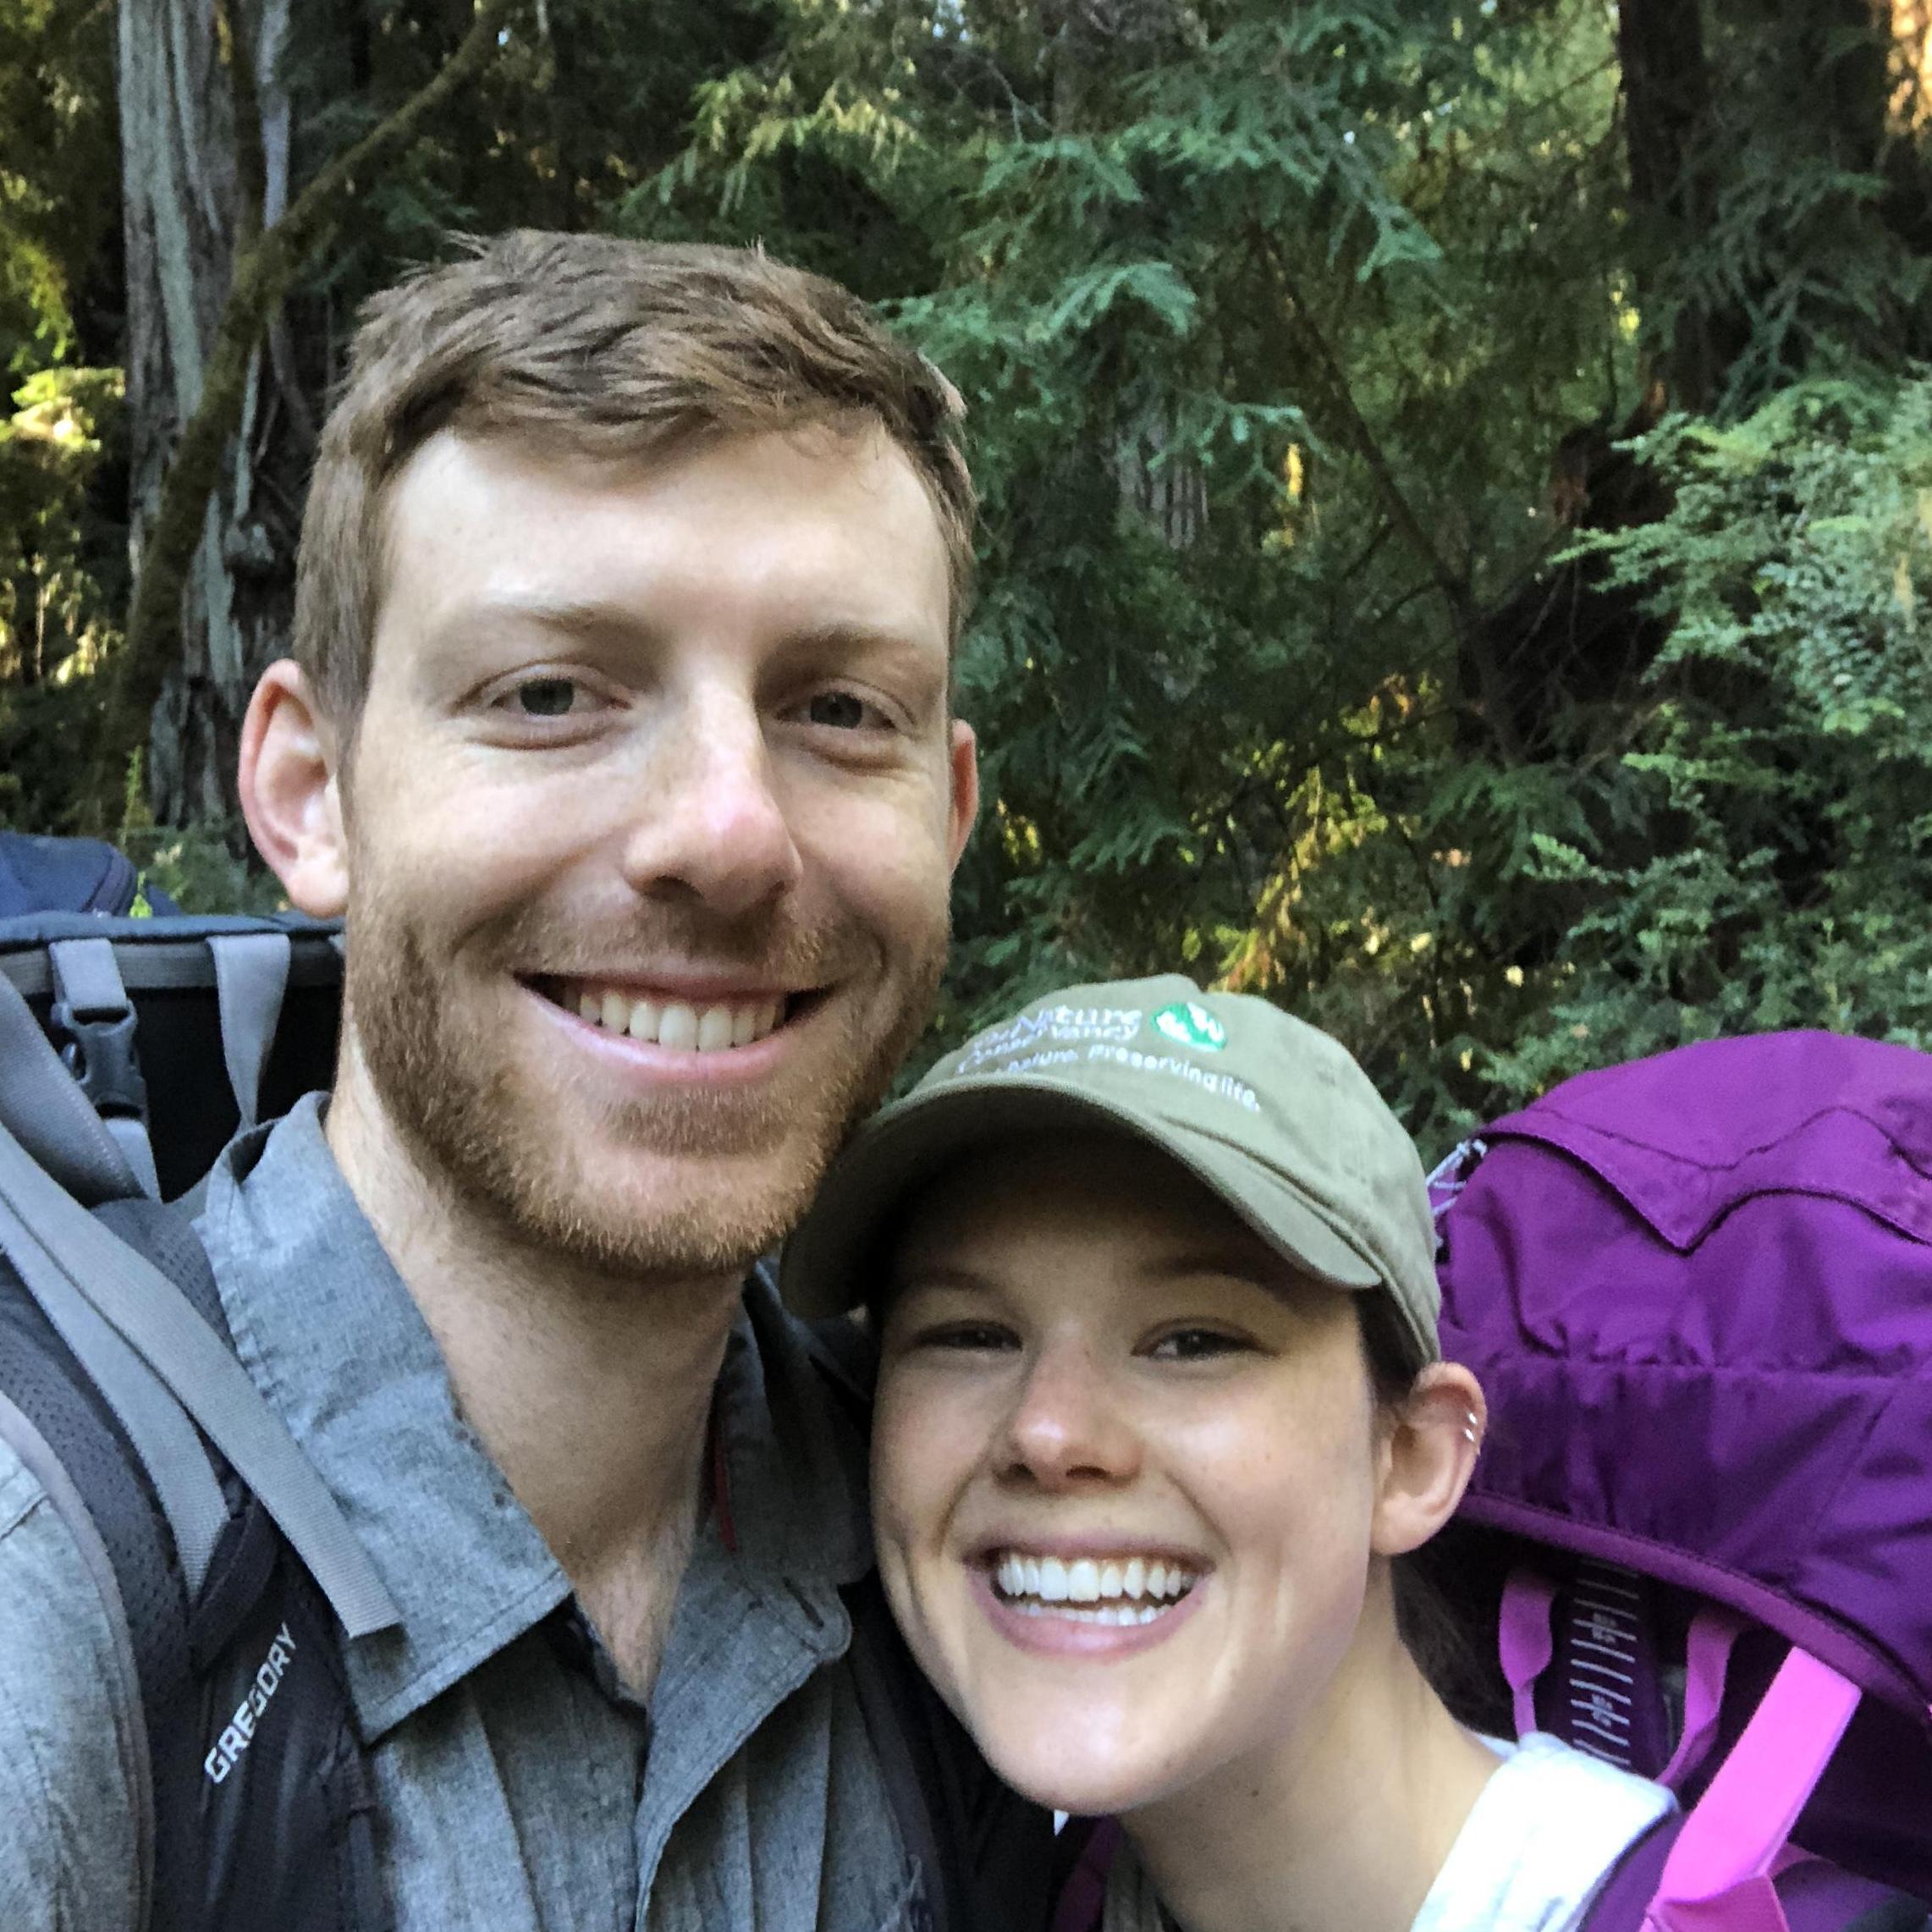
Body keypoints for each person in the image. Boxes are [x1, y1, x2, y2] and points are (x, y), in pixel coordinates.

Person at [0, 233, 1054, 1929]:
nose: (725, 831)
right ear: (308, 792)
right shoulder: (54, 1600)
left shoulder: (983, 1567)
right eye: (552, 692)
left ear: (943, 812)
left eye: (837, 706)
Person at [779, 976, 1677, 1932]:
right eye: (969, 1334)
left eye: (1195, 1340)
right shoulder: (1008, 1880)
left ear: (1411, 1458)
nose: (1048, 1433)